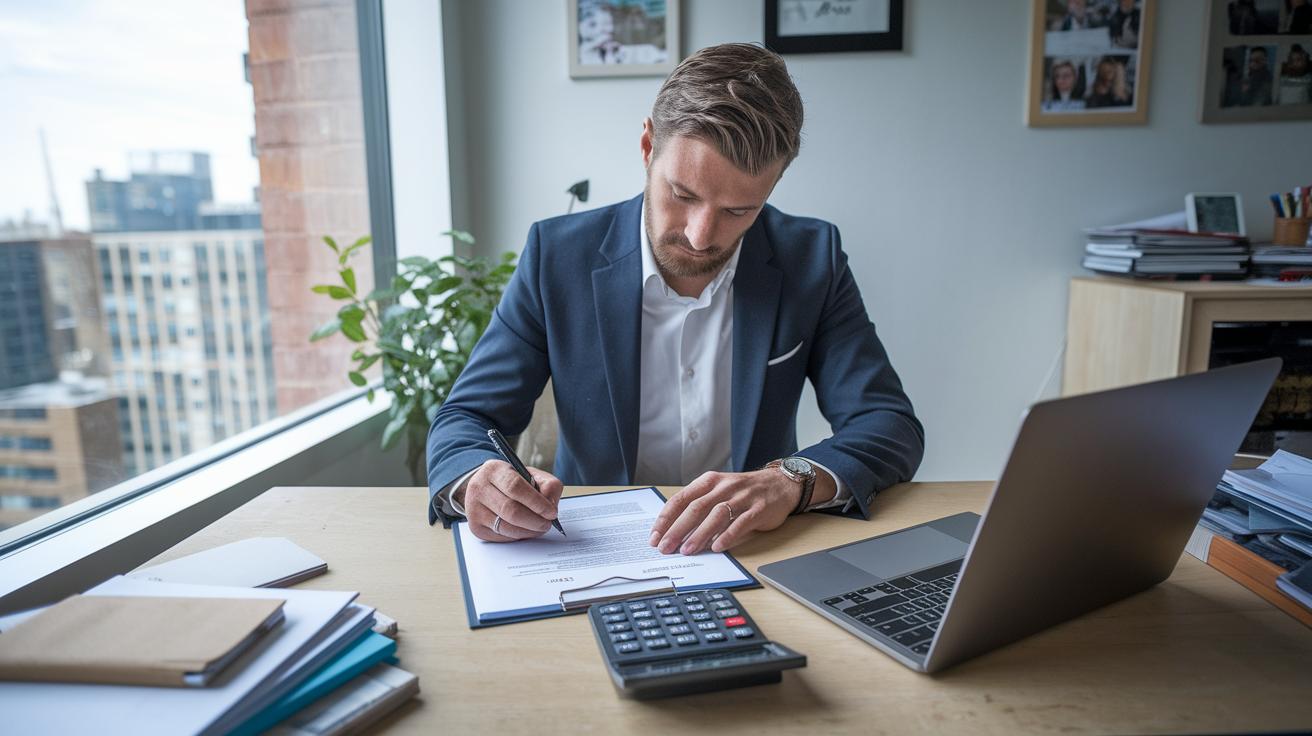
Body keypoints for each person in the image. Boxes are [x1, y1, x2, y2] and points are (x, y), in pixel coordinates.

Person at [426, 43, 924, 555]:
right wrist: (474, 484)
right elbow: (465, 418)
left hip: (753, 551)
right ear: (648, 146)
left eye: (738, 210)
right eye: (683, 195)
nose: (702, 235)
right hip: (589, 550)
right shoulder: (556, 257)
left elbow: (888, 424)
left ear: (773, 186)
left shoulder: (812, 259)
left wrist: (789, 479)